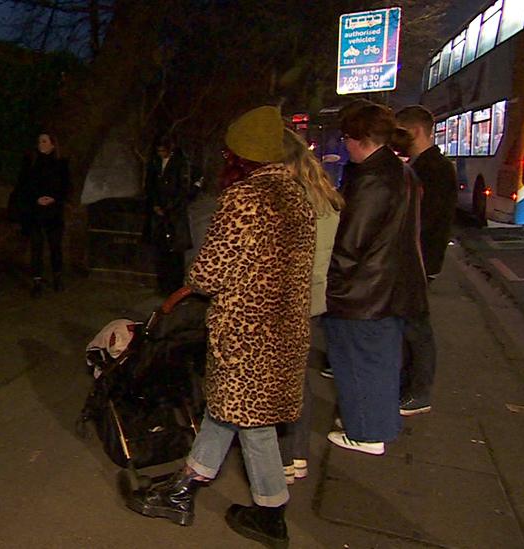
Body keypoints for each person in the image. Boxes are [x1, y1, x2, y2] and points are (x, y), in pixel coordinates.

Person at [127, 106, 316, 549]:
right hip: (284, 328)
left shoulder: (245, 198)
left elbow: (211, 272)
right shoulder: (297, 196)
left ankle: (272, 513)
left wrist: (186, 287)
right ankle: (184, 488)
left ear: (240, 155)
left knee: (250, 421)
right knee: (226, 410)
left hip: (248, 332)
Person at [323, 102, 428, 456]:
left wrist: (332, 284)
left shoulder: (371, 179)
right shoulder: (402, 172)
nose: (345, 146)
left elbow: (352, 242)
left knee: (358, 363)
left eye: (348, 138)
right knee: (380, 363)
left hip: (365, 291)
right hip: (392, 286)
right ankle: (377, 422)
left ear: (360, 139)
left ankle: (366, 432)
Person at [278, 129, 345, 485]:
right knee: (298, 379)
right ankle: (297, 455)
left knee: (282, 384)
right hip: (314, 301)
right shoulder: (324, 195)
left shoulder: (290, 199)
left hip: (288, 300)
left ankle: (286, 458)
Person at [394, 105, 457, 416]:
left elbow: (425, 219)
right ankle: (410, 386)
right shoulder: (427, 165)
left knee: (416, 327)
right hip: (420, 258)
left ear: (415, 131)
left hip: (421, 259)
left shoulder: (433, 169)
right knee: (411, 326)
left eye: (401, 132)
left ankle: (418, 391)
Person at [13, 132, 70, 297]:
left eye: (44, 141)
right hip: (35, 210)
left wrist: (54, 198)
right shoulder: (31, 163)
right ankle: (37, 279)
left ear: (52, 144)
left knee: (55, 245)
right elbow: (23, 186)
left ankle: (57, 276)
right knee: (36, 246)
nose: (41, 144)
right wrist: (35, 199)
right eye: (39, 141)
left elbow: (65, 186)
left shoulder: (61, 164)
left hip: (53, 210)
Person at [144, 136, 197, 295]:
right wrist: (155, 205)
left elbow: (183, 190)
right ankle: (164, 285)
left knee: (175, 252)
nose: (160, 154)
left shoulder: (180, 164)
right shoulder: (155, 164)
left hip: (174, 214)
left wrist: (168, 208)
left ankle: (174, 286)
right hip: (160, 212)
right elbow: (150, 185)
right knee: (161, 250)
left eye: (163, 151)